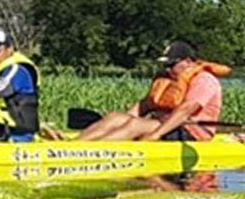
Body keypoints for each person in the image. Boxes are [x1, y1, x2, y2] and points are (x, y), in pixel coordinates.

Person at [80, 41, 231, 142]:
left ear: (188, 62)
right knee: (115, 117)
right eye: (165, 65)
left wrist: (156, 134)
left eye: (172, 65)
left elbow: (185, 110)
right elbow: (144, 105)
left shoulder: (204, 80)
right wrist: (121, 121)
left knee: (134, 125)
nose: (167, 69)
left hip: (193, 132)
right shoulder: (169, 79)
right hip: (163, 124)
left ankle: (91, 150)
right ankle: (73, 145)